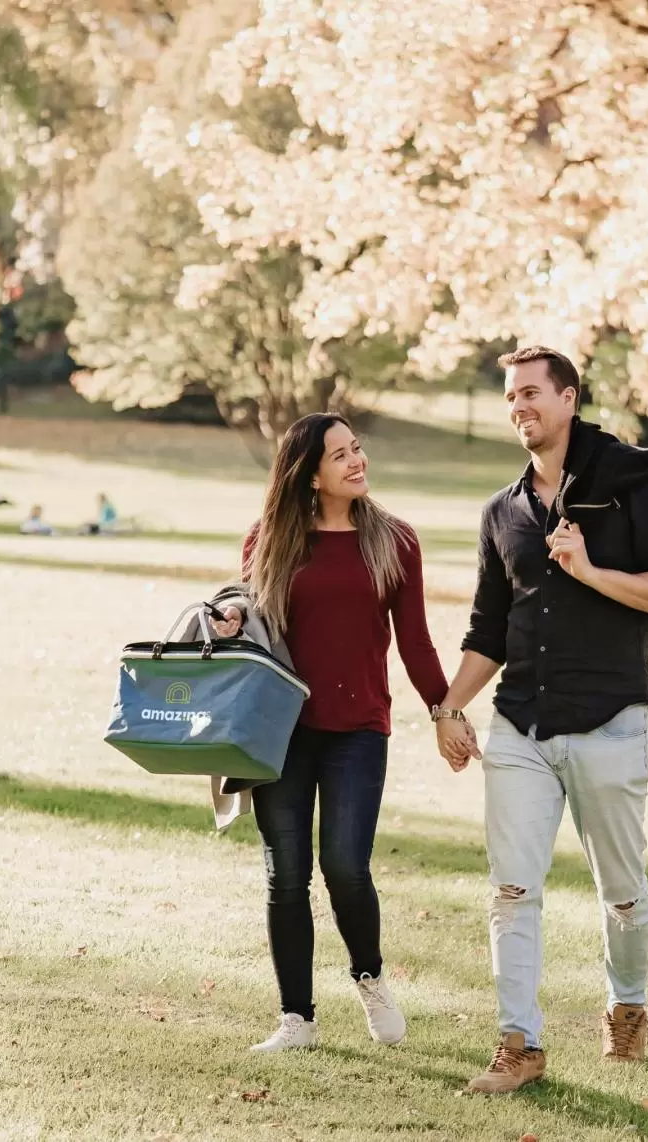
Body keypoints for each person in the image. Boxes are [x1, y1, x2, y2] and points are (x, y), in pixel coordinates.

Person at [433, 346, 648, 1095]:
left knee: (623, 892)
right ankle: (519, 1045)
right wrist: (449, 706)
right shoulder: (501, 513)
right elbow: (488, 631)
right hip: (521, 726)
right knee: (511, 890)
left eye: (532, 393)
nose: (519, 407)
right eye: (511, 397)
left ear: (570, 399)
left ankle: (628, 1007)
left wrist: (591, 571)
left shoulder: (632, 487)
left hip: (611, 721)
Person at [210, 414, 449, 1054]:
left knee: (346, 866)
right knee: (285, 873)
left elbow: (416, 640)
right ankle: (297, 1019)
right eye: (339, 454)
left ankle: (369, 978)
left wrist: (443, 709)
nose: (356, 461)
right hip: (279, 733)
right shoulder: (267, 540)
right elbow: (256, 624)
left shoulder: (395, 540)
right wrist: (233, 618)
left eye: (357, 449)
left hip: (358, 731)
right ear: (308, 473)